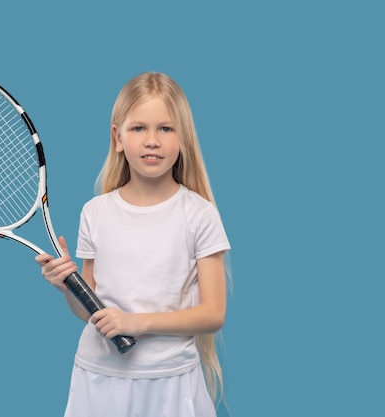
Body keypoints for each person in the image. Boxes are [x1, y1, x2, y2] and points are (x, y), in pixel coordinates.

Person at [35, 72, 231, 417]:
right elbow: (90, 311)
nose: (152, 140)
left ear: (183, 138)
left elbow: (213, 314)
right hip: (99, 379)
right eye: (139, 128)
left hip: (170, 381)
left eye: (166, 129)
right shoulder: (95, 212)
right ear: (118, 137)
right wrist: (69, 287)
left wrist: (137, 323)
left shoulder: (200, 215)